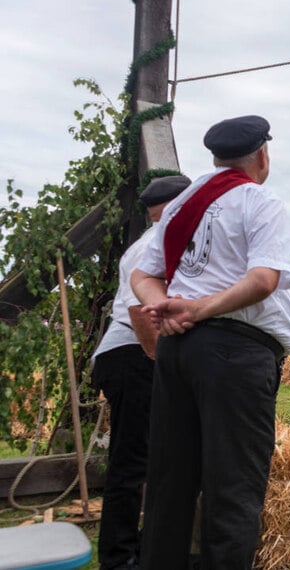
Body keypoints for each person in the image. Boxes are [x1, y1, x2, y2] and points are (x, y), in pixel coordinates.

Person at [130, 115, 290, 569]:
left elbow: (142, 275)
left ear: (215, 157)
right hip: (235, 354)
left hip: (179, 350)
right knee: (234, 489)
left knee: (171, 482)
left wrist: (162, 305)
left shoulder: (181, 206)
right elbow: (264, 279)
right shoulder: (258, 200)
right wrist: (197, 308)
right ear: (262, 155)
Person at [90, 174, 190, 570]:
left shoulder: (151, 240)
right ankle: (118, 558)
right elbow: (141, 313)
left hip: (130, 354)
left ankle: (142, 548)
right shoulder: (158, 243)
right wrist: (167, 369)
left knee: (148, 458)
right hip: (135, 353)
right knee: (131, 462)